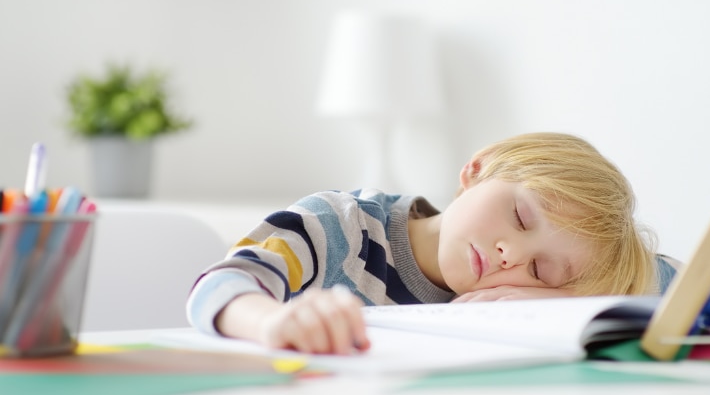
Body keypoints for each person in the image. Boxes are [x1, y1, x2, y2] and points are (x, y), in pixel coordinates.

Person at [186, 132, 677, 356]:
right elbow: (220, 285)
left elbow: (681, 280)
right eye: (522, 216)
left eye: (542, 270)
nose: (514, 256)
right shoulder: (339, 227)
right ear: (477, 171)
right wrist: (273, 320)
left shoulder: (519, 294)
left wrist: (561, 299)